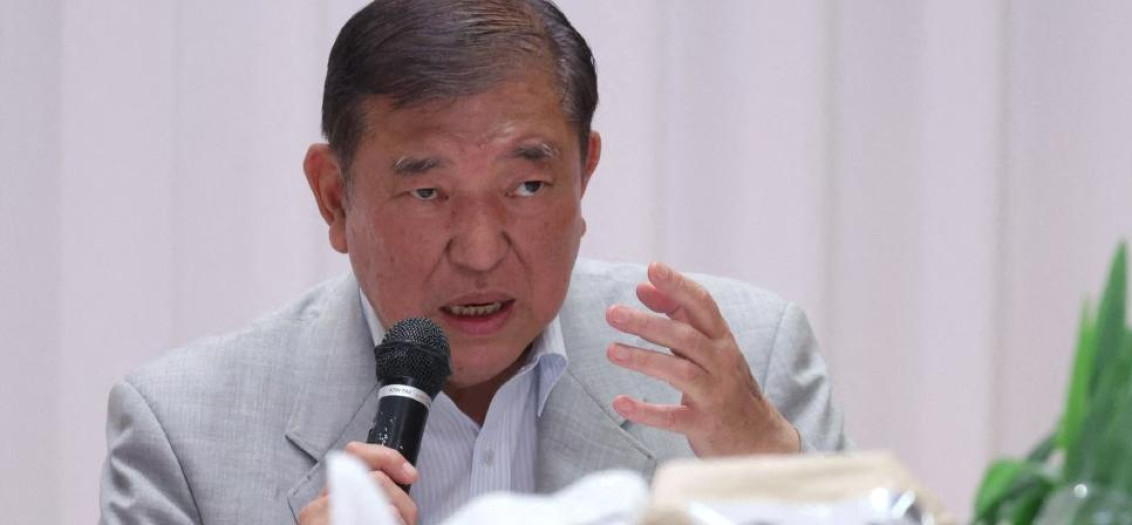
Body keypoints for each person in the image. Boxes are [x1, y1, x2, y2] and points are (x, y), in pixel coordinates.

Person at [99, 1, 848, 523]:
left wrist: (779, 479)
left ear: (584, 174)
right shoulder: (182, 435)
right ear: (334, 197)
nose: (483, 249)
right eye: (428, 191)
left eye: (527, 185)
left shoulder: (750, 364)